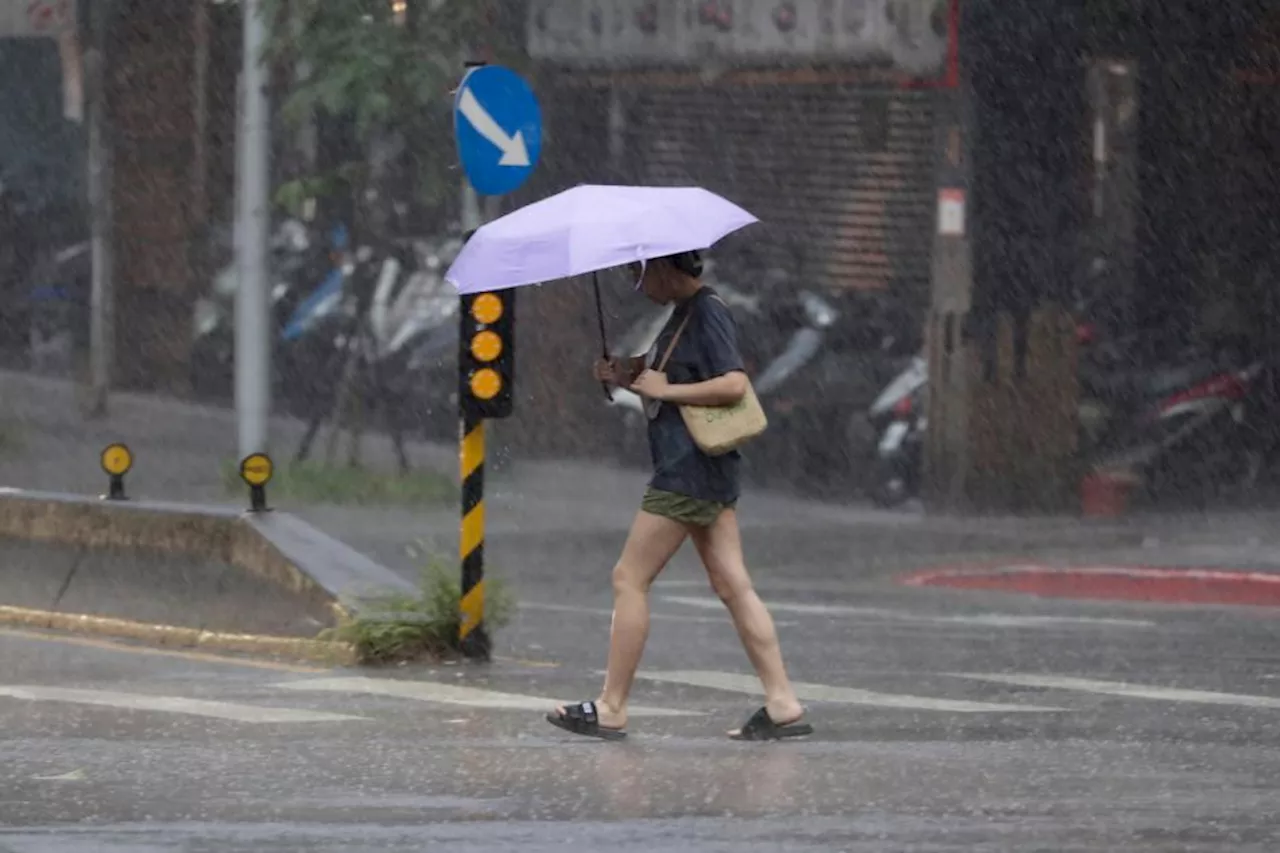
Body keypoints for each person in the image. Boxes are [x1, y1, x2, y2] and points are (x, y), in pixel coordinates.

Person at [545, 250, 812, 742]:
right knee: (733, 585)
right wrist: (622, 372)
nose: (634, 282)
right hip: (705, 472)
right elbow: (665, 373)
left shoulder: (708, 312)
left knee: (629, 577)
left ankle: (612, 706)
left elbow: (733, 383)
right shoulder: (684, 316)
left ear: (666, 268)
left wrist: (666, 393)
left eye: (638, 271)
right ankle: (781, 701)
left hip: (686, 471)